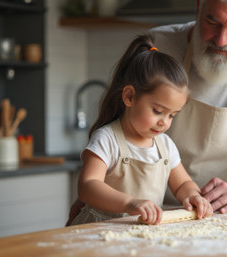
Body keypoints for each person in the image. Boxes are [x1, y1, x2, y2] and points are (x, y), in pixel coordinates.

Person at [66, 0, 227, 225]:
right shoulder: (155, 47)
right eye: (212, 22)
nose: (222, 39)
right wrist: (99, 199)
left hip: (199, 218)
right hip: (128, 220)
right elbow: (93, 179)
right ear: (198, 9)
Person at [68, 34, 213, 226]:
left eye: (172, 115)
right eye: (158, 111)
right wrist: (130, 203)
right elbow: (88, 185)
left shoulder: (165, 146)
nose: (164, 123)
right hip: (99, 231)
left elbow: (183, 184)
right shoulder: (107, 139)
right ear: (129, 97)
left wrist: (194, 195)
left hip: (140, 235)